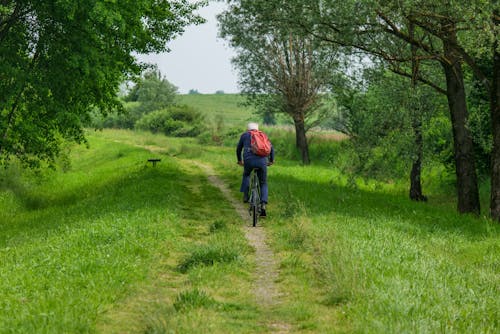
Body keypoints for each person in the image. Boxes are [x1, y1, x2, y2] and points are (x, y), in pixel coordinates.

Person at [236, 122, 274, 217]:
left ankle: (245, 195)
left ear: (248, 129)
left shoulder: (245, 135)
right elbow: (271, 149)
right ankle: (263, 204)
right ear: (257, 129)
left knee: (247, 174)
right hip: (262, 161)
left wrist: (240, 160)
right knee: (263, 183)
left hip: (248, 161)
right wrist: (271, 160)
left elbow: (238, 149)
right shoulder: (263, 135)